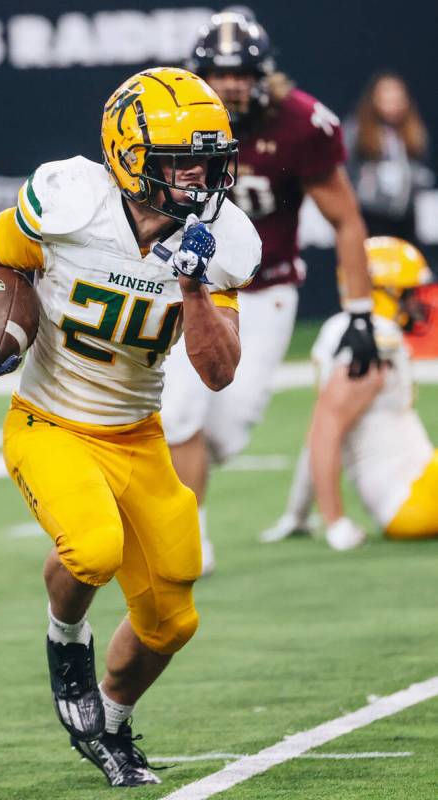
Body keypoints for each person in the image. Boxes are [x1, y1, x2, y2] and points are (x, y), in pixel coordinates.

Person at [0, 67, 261, 787]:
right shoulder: (71, 204)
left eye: (208, 159)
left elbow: (216, 372)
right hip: (49, 421)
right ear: (129, 156)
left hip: (137, 436)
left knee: (172, 621)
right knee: (92, 549)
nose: (200, 176)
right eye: (181, 161)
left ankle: (109, 721)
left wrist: (193, 287)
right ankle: (64, 640)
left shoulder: (223, 239)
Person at [161, 10, 378, 573]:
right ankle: (191, 536)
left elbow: (347, 219)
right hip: (193, 284)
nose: (230, 82)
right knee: (180, 411)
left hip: (266, 290)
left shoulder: (299, 122)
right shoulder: (173, 116)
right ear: (197, 71)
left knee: (226, 433)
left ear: (264, 73)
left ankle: (175, 489)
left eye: (242, 70)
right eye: (218, 70)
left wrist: (361, 311)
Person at [260, 237, 438, 550]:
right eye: (408, 292)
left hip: (417, 485)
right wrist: (336, 522)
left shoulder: (352, 330)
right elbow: (327, 430)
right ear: (383, 290)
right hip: (408, 498)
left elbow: (319, 430)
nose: (415, 303)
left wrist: (297, 514)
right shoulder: (370, 340)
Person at [344, 72, 435, 242]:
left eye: (397, 98)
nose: (392, 104)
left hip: (405, 217)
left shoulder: (414, 132)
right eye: (386, 97)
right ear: (374, 99)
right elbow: (346, 173)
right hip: (370, 217)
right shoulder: (356, 131)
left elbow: (420, 169)